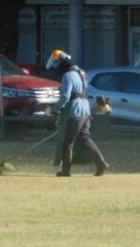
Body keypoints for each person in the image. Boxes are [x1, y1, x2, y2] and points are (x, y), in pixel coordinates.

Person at [46, 49, 109, 177]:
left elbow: (65, 96)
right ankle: (101, 164)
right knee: (85, 139)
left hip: (74, 112)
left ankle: (66, 171)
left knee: (67, 141)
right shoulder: (81, 72)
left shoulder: (68, 76)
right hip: (85, 111)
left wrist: (54, 108)